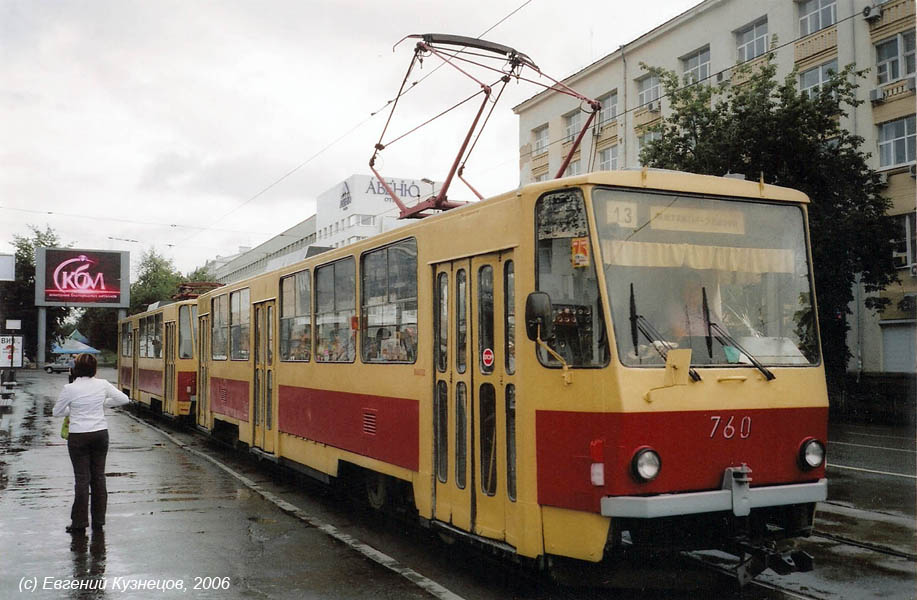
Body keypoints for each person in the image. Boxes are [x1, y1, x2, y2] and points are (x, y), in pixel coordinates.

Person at [52, 353, 130, 535]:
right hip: (100, 434)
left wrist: (74, 409)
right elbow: (124, 399)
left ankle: (79, 522)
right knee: (99, 477)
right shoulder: (102, 384)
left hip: (78, 436)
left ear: (76, 369)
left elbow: (57, 412)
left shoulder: (69, 388)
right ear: (94, 369)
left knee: (82, 479)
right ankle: (99, 521)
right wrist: (102, 404)